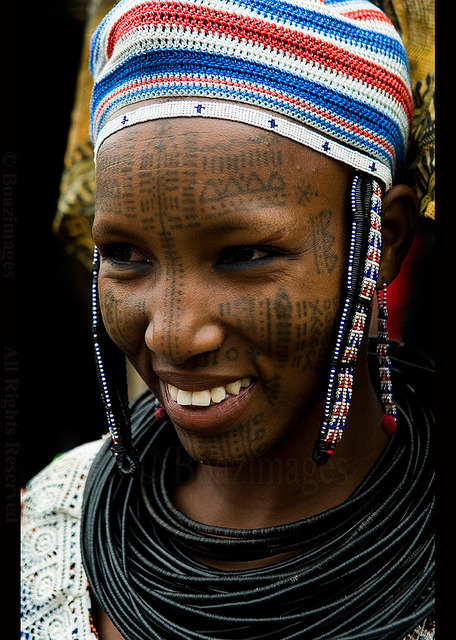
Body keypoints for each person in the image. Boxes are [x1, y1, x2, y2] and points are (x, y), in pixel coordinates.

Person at [21, 1, 435, 639]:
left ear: (385, 239)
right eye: (127, 256)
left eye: (243, 256)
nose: (172, 334)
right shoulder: (44, 529)